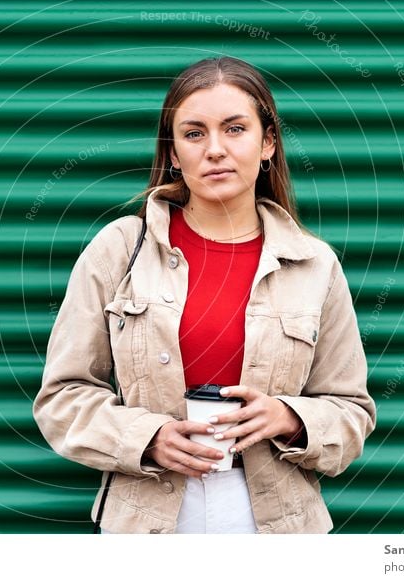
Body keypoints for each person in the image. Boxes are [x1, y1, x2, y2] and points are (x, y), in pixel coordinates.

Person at [32, 56, 376, 534]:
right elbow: (62, 399)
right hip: (145, 516)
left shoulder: (315, 265)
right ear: (174, 152)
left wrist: (288, 416)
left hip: (278, 522)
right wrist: (148, 437)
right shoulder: (119, 249)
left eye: (235, 129)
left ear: (267, 143)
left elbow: (351, 412)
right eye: (194, 134)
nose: (215, 149)